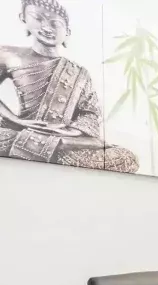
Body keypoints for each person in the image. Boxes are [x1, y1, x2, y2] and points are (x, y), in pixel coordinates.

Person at [0, 0, 139, 173]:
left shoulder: (79, 73)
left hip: (62, 137)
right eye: (38, 18)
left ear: (67, 32)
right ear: (23, 18)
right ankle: (46, 145)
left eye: (55, 24)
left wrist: (69, 133)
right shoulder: (8, 55)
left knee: (126, 158)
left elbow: (90, 114)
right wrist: (16, 120)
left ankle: (50, 145)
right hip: (23, 130)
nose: (47, 27)